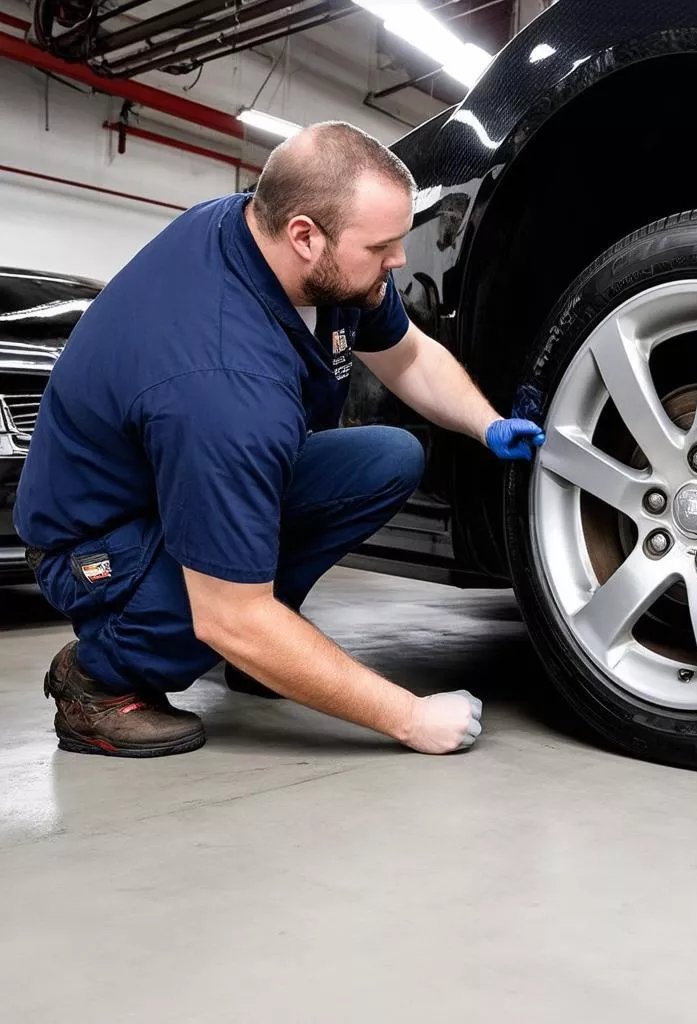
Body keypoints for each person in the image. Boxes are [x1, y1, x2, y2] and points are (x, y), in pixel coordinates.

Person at [14, 121, 545, 759]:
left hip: (179, 479)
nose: (399, 260)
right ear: (304, 236)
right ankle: (98, 681)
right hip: (99, 545)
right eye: (383, 246)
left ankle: (266, 651)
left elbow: (404, 353)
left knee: (389, 458)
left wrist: (486, 424)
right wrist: (410, 717)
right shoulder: (224, 381)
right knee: (227, 614)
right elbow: (228, 616)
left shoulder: (291, 248)